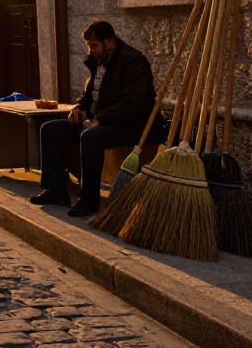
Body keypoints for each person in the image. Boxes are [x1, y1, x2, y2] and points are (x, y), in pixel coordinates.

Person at [30, 20, 162, 217]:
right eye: (88, 46)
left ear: (109, 42)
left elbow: (134, 103)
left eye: (94, 46)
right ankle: (56, 190)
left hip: (133, 125)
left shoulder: (134, 61)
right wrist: (80, 109)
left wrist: (100, 119)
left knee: (91, 137)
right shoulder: (98, 61)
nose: (91, 50)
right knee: (50, 130)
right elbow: (89, 94)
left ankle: (89, 201)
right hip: (101, 120)